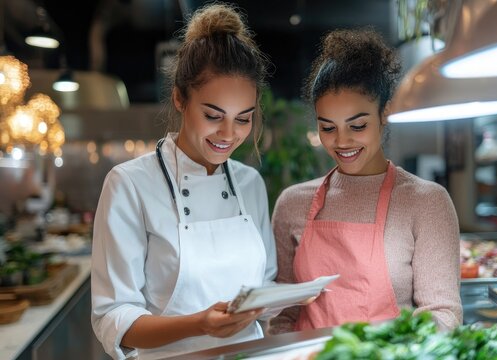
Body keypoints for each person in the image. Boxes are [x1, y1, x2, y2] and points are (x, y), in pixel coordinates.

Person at [91, 3, 277, 359]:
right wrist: (200, 324)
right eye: (213, 115)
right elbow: (114, 317)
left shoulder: (250, 183)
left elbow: (263, 285)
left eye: (244, 119)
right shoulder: (129, 185)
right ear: (179, 98)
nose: (229, 134)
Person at [268, 27, 462, 334]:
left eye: (357, 125)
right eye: (328, 128)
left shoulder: (426, 202)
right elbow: (283, 315)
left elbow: (443, 316)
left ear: (385, 112)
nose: (342, 141)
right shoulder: (293, 204)